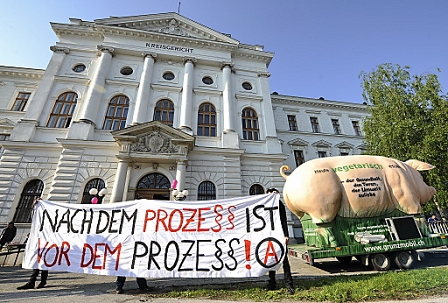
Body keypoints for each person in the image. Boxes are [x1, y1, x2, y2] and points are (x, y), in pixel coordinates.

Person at [265, 188, 294, 294]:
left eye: (274, 194)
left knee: (284, 260)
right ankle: (272, 282)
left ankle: (289, 284)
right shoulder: (264, 205)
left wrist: (286, 234)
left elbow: (283, 219)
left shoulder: (279, 205)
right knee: (271, 259)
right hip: (269, 237)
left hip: (280, 236)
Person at [17, 198, 49, 290]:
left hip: (47, 243)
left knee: (43, 262)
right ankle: (32, 281)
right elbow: (34, 217)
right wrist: (35, 205)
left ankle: (42, 281)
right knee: (37, 260)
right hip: (38, 242)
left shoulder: (49, 221)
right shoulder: (39, 219)